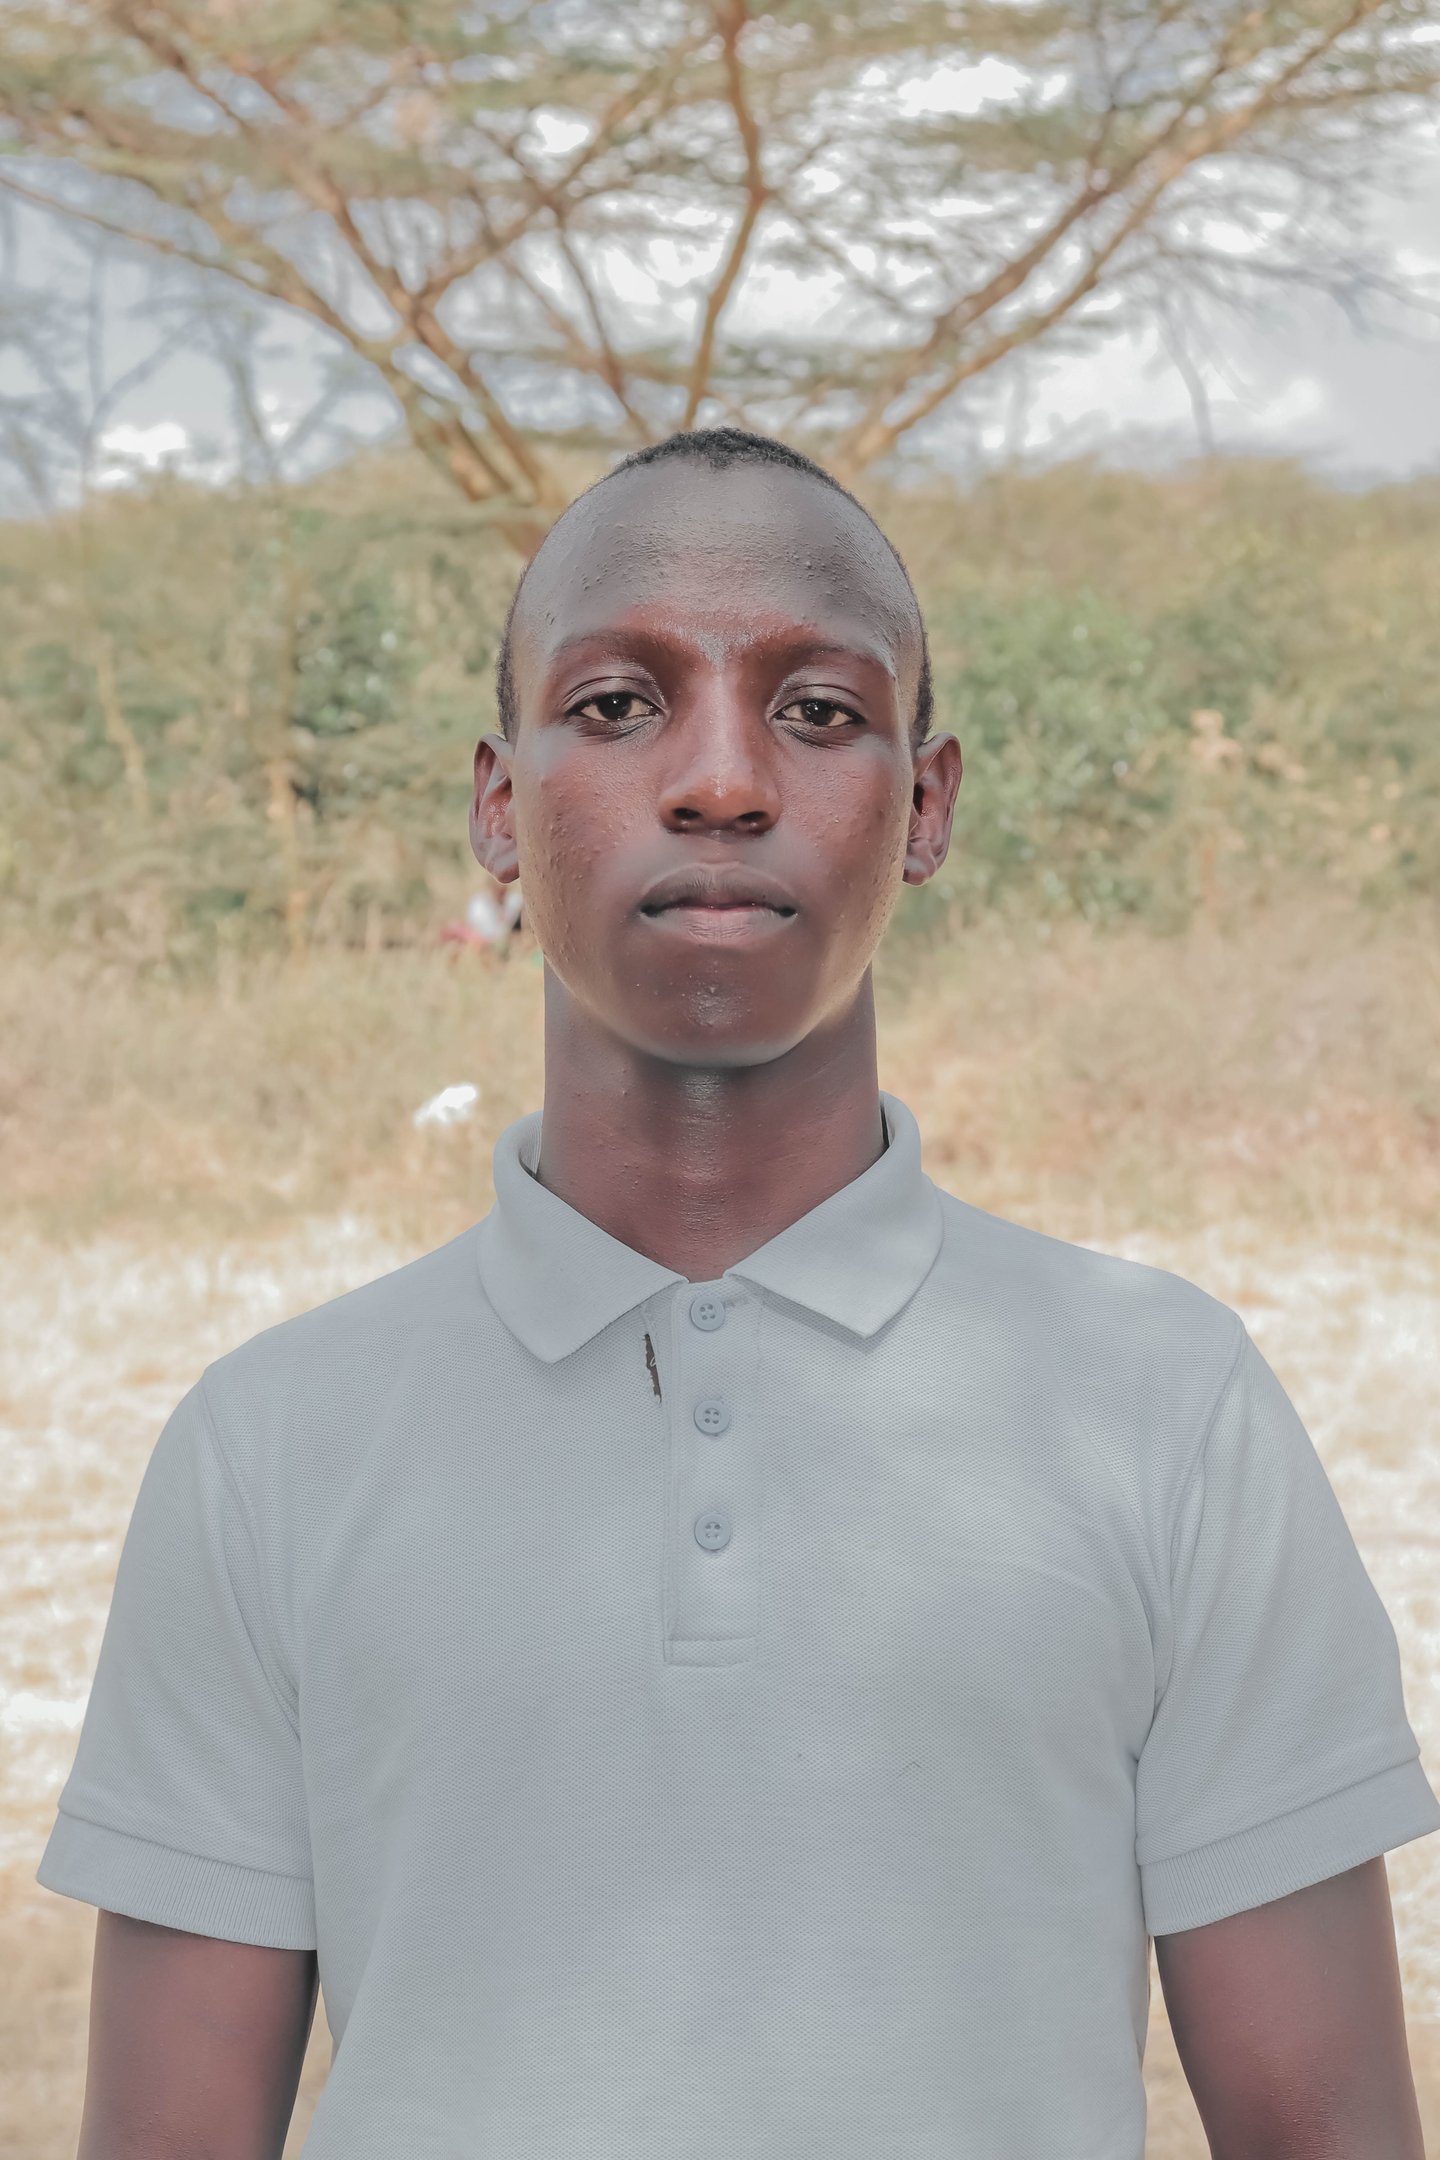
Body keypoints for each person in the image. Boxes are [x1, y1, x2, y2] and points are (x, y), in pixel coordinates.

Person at [37, 427, 1439, 2158]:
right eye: (620, 704)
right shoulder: (267, 1447)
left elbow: (1324, 2132)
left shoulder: (1166, 1405)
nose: (719, 782)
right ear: (499, 804)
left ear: (927, 806)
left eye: (820, 711)